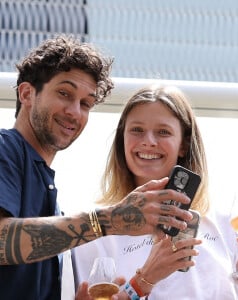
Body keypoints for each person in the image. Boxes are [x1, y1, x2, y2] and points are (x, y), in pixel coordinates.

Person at [0, 37, 194, 300]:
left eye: (86, 104)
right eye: (64, 94)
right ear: (26, 94)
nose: (74, 112)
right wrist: (109, 221)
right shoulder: (5, 148)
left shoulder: (49, 192)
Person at [72, 85, 238, 300]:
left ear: (183, 145)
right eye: (137, 130)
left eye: (163, 132)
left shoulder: (225, 223)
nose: (148, 141)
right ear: (122, 140)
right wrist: (146, 278)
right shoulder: (97, 230)